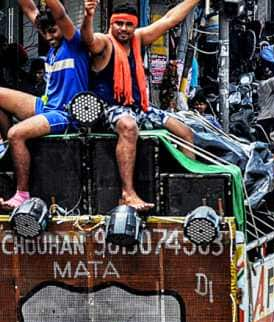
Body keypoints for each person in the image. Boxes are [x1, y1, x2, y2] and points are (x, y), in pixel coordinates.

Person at [82, 0, 198, 211]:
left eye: (129, 25)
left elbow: (170, 19)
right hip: (109, 109)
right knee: (128, 126)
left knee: (185, 132)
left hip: (139, 108)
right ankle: (128, 193)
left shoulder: (138, 38)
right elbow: (89, 40)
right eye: (119, 24)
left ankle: (188, 190)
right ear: (111, 24)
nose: (124, 29)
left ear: (135, 26)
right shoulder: (105, 42)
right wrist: (89, 16)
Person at [0, 0, 90, 209]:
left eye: (53, 31)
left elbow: (58, 11)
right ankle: (5, 145)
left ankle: (22, 194)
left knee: (17, 133)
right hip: (46, 106)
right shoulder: (53, 45)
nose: (48, 37)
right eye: (45, 33)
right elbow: (29, 8)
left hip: (65, 114)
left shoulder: (72, 43)